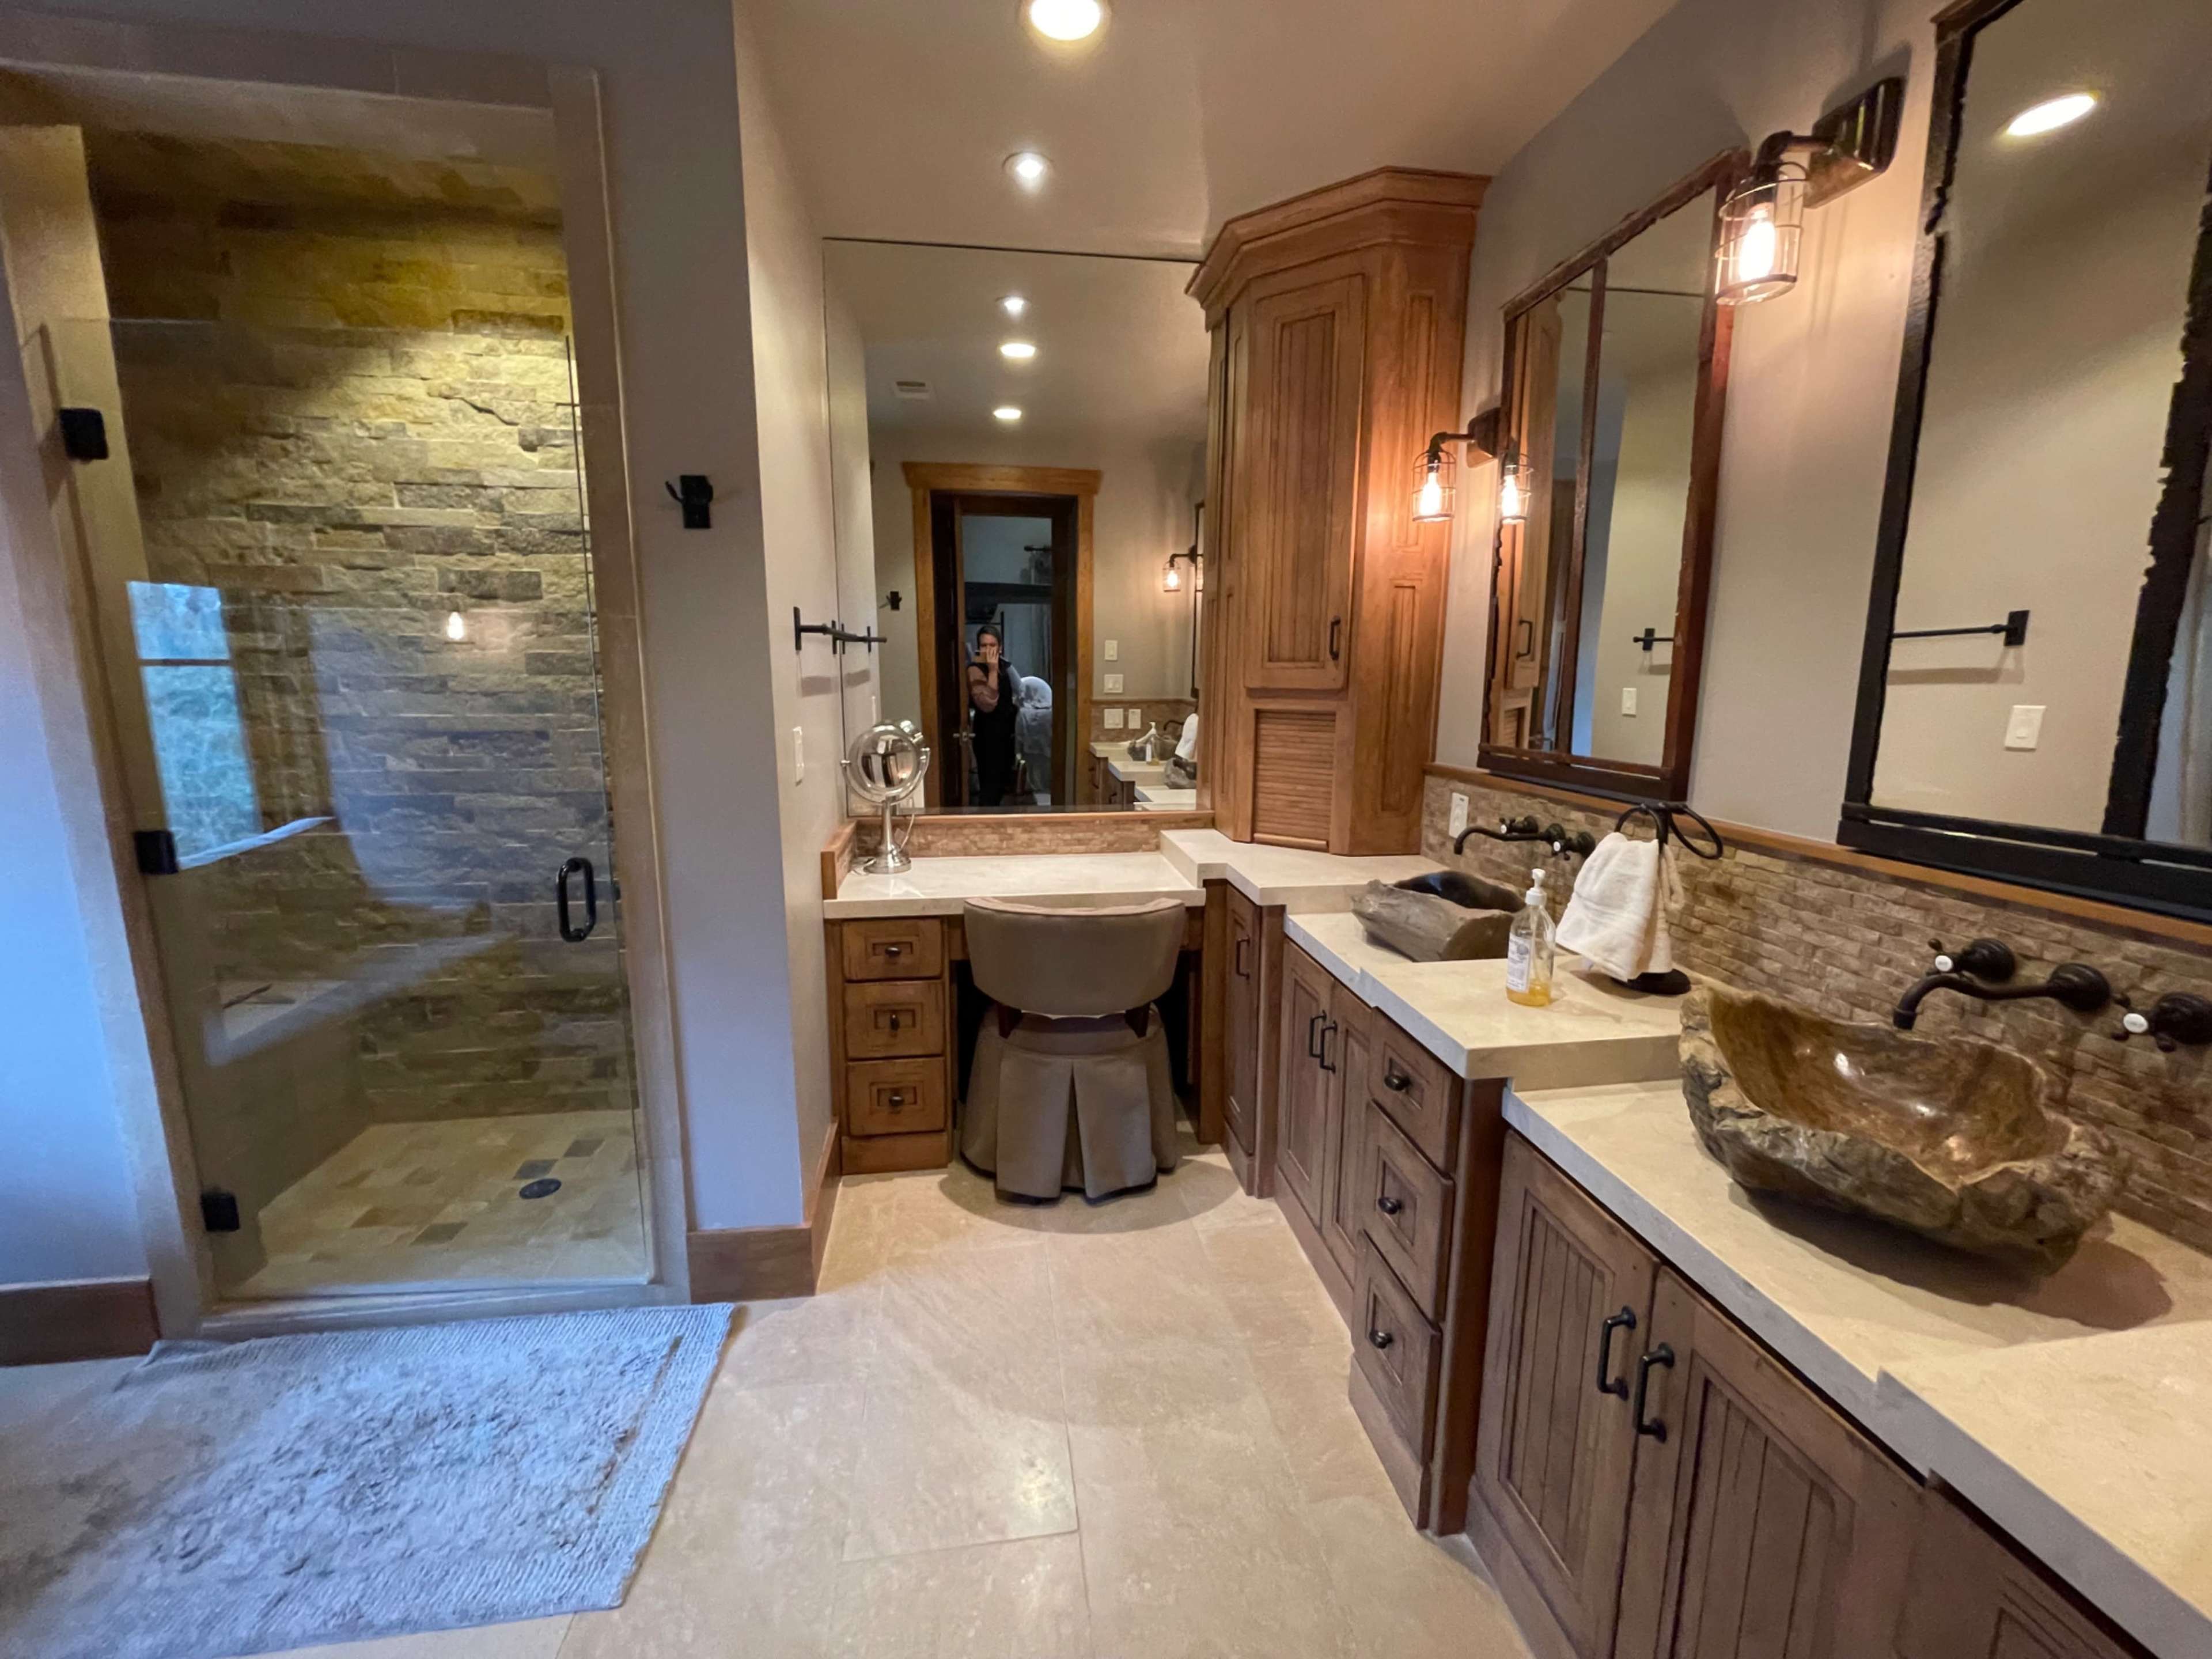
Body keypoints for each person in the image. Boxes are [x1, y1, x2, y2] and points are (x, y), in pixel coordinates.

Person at [965, 624, 1022, 806]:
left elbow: (1019, 688)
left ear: (1000, 647)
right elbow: (988, 704)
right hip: (987, 738)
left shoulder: (1004, 667)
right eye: (984, 646)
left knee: (1002, 786)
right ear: (978, 647)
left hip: (1006, 736)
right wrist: (991, 670)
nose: (989, 650)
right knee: (989, 788)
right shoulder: (975, 670)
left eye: (993, 645)